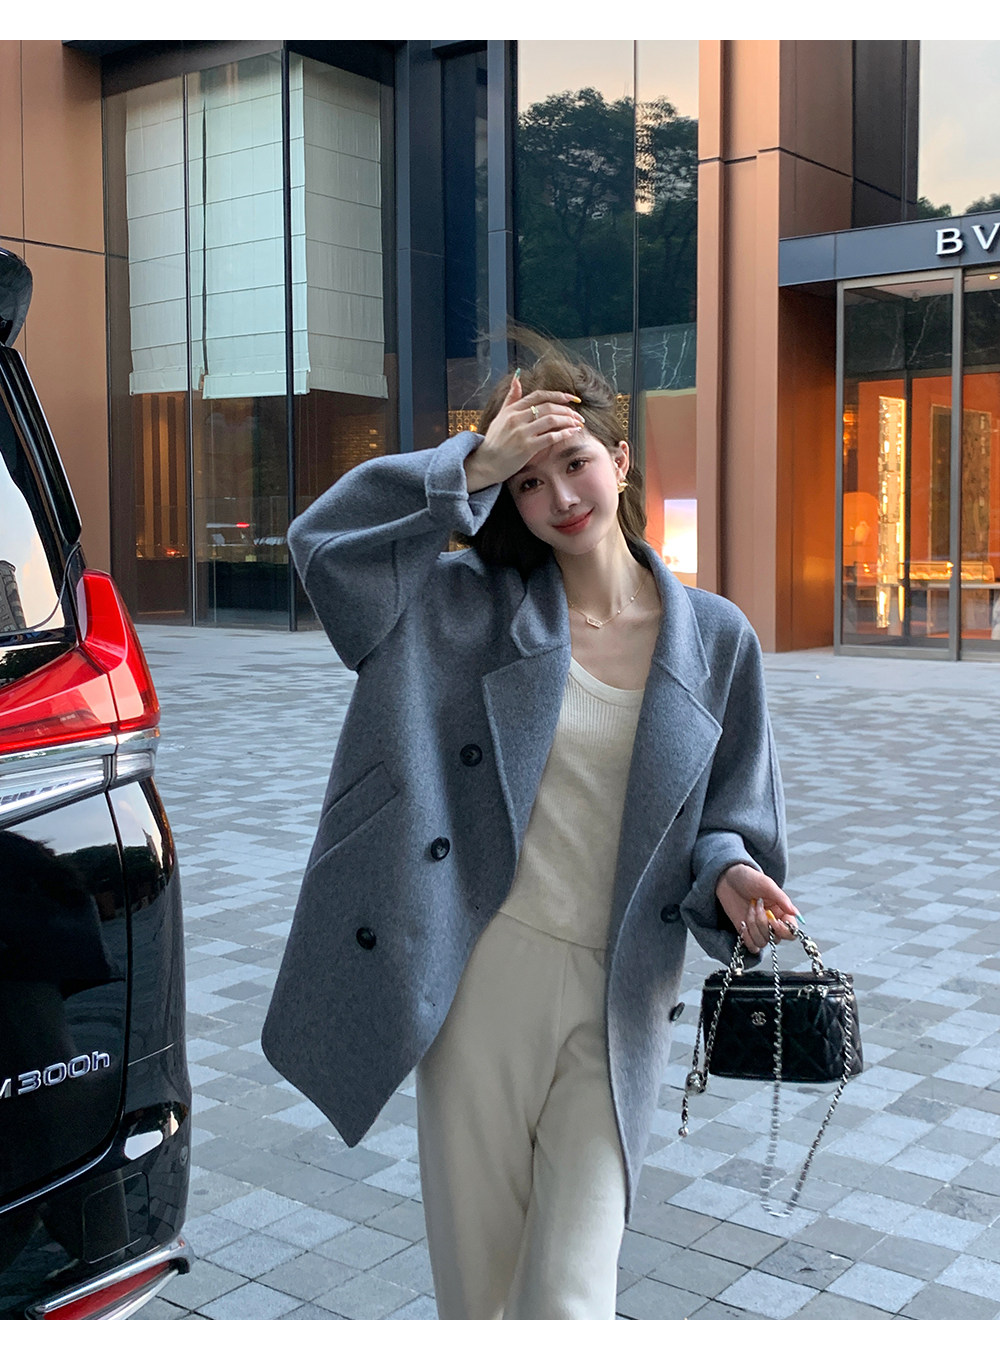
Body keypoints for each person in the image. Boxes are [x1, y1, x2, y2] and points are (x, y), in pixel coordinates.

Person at [261, 337, 798, 1320]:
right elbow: (324, 551)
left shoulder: (717, 638)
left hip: (619, 997)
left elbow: (730, 817)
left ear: (620, 460)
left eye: (574, 462)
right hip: (481, 983)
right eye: (529, 481)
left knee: (569, 1298)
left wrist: (729, 872)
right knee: (479, 1300)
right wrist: (469, 467)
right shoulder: (462, 609)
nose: (558, 497)